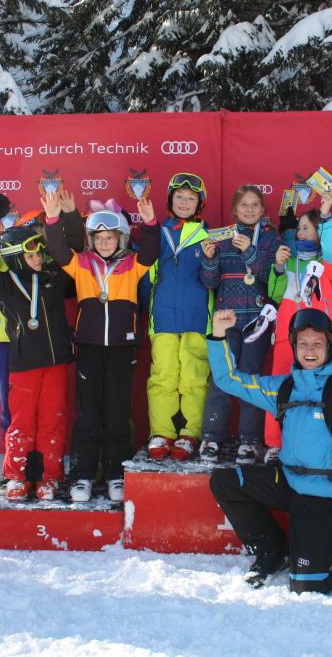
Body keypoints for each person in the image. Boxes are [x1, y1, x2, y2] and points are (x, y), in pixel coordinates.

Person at [207, 307, 332, 594]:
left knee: (307, 587)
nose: (310, 350)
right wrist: (219, 335)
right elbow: (229, 380)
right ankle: (271, 550)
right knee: (225, 482)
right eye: (303, 343)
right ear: (294, 347)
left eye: (318, 343)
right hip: (287, 482)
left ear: (330, 346)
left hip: (324, 495)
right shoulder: (283, 389)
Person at [42, 192, 160, 502]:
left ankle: (115, 474)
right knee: (88, 415)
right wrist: (52, 220)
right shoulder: (81, 264)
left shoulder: (132, 265)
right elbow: (57, 250)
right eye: (99, 238)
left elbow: (151, 251)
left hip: (121, 349)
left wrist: (150, 223)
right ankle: (82, 475)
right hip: (90, 348)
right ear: (91, 240)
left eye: (110, 238)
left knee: (117, 414)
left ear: (121, 239)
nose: (105, 243)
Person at [0, 200, 76, 502]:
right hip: (24, 365)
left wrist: (62, 219)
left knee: (53, 419)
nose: (38, 258)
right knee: (22, 422)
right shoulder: (6, 285)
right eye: (30, 254)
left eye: (39, 253)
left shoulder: (54, 278)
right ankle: (17, 476)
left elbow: (73, 253)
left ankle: (49, 477)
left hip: (56, 362)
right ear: (15, 258)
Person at [198, 185, 282, 464]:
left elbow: (273, 278)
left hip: (257, 321)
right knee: (221, 379)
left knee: (250, 378)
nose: (249, 209)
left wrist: (250, 252)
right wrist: (209, 260)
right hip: (226, 319)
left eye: (255, 205)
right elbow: (209, 282)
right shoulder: (222, 239)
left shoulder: (270, 239)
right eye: (244, 205)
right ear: (234, 209)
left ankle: (250, 440)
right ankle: (211, 437)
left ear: (263, 209)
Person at [264, 191, 332, 461]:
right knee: (280, 389)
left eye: (306, 228)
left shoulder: (329, 265)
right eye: (298, 228)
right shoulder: (289, 261)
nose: (300, 232)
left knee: (317, 393)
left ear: (320, 233)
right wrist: (277, 267)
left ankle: (315, 445)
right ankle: (275, 444)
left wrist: (326, 217)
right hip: (287, 338)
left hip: (317, 340)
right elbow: (275, 294)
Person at [146, 173, 212, 461]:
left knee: (194, 377)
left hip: (197, 317)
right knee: (163, 376)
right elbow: (146, 275)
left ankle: (190, 433)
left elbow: (214, 276)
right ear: (170, 200)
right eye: (179, 197)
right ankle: (161, 432)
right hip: (163, 317)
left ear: (199, 204)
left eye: (191, 198)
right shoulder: (157, 233)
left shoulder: (209, 237)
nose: (184, 203)